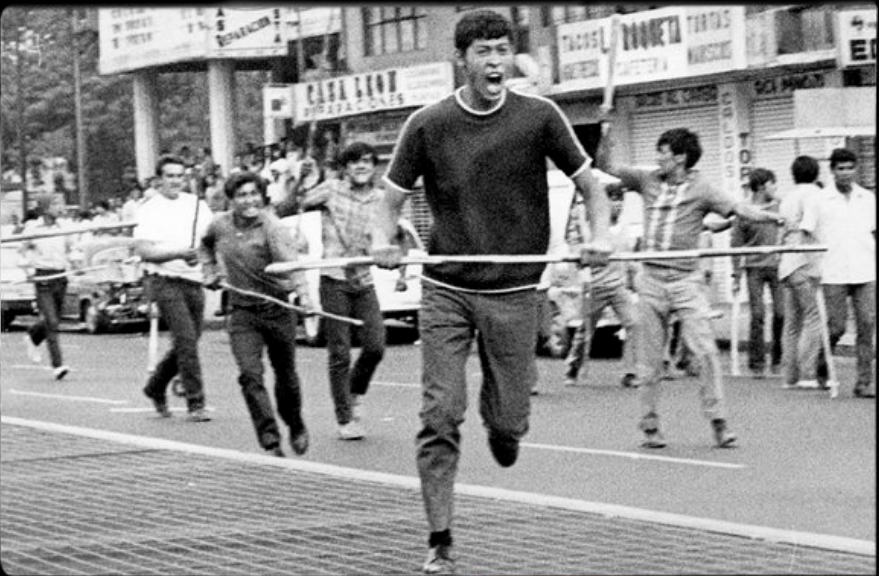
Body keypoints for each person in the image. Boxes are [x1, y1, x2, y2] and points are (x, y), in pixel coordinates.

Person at [369, 11, 612, 574]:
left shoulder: (540, 116)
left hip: (515, 288)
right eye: (483, 51)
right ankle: (440, 540)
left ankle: (504, 426)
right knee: (439, 414)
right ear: (463, 60)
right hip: (446, 288)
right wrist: (383, 242)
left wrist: (600, 238)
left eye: (503, 49)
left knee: (508, 423)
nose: (495, 61)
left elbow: (591, 188)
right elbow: (389, 202)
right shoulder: (427, 124)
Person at [596, 121, 783, 451]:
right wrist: (606, 130)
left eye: (663, 153)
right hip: (651, 280)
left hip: (685, 281)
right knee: (649, 361)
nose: (658, 158)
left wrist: (774, 217)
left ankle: (719, 421)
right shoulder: (647, 179)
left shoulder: (703, 188)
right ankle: (650, 425)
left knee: (706, 352)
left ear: (681, 158)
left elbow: (739, 209)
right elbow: (606, 165)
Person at [201, 171, 311, 456]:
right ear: (231, 200)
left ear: (262, 197)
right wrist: (209, 271)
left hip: (277, 308)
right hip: (242, 312)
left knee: (286, 375)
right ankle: (269, 435)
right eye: (242, 195)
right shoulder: (219, 225)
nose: (249, 200)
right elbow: (205, 246)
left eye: (254, 194)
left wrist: (305, 297)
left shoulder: (273, 227)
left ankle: (295, 422)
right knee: (250, 374)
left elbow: (293, 265)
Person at [298, 142, 388, 441]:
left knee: (375, 345)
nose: (361, 166)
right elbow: (295, 205)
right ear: (345, 168)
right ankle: (345, 417)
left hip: (363, 279)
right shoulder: (331, 189)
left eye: (367, 161)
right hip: (333, 278)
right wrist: (303, 180)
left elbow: (391, 235)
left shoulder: (381, 198)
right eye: (354, 162)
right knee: (339, 352)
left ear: (373, 167)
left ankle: (355, 391)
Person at [134, 154, 214, 421]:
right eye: (170, 176)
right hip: (164, 280)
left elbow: (211, 238)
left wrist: (203, 257)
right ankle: (196, 403)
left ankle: (155, 386)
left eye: (180, 176)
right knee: (186, 341)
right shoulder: (149, 209)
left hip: (193, 279)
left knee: (189, 341)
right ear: (159, 179)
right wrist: (178, 253)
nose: (175, 181)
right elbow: (144, 250)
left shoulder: (196, 205)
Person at [801, 148, 875, 398]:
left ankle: (864, 382)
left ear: (856, 169)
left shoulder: (867, 198)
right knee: (836, 326)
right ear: (832, 171)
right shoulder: (819, 199)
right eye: (841, 168)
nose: (845, 173)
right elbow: (806, 233)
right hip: (833, 270)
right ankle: (823, 362)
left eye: (850, 168)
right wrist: (811, 266)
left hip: (865, 268)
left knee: (867, 324)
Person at [564, 181, 640, 388]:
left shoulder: (624, 229)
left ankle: (630, 372)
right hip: (596, 286)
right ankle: (573, 366)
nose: (618, 204)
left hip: (618, 287)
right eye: (613, 200)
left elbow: (628, 259)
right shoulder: (594, 227)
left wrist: (634, 280)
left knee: (635, 323)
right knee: (585, 332)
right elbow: (580, 255)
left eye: (620, 200)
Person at [731, 168, 783, 378]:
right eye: (772, 184)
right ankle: (757, 363)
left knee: (781, 313)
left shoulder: (780, 207)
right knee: (758, 315)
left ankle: (778, 359)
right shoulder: (744, 211)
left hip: (777, 266)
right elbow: (735, 244)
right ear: (761, 186)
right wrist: (736, 275)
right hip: (754, 267)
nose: (775, 188)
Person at [777, 156, 824, 390]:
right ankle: (808, 373)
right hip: (806, 261)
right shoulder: (815, 194)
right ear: (816, 173)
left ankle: (790, 376)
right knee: (814, 318)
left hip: (787, 261)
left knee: (792, 323)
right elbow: (811, 227)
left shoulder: (788, 197)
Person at [18, 192, 73, 380]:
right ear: (45, 208)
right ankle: (58, 365)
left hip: (61, 277)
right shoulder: (33, 228)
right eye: (56, 204)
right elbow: (22, 251)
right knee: (52, 322)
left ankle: (33, 335)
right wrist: (27, 269)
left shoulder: (64, 227)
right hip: (43, 278)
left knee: (55, 318)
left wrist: (76, 262)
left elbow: (72, 249)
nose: (60, 208)